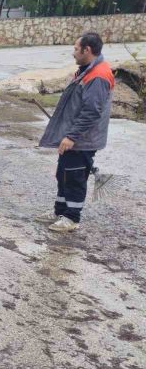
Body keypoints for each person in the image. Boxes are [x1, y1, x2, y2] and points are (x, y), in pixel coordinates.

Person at [36, 32, 115, 233]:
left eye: (75, 48)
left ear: (87, 50)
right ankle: (60, 212)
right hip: (73, 136)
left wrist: (72, 136)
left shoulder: (98, 76)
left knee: (74, 177)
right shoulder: (86, 71)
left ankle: (71, 218)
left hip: (82, 140)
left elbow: (92, 111)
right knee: (62, 175)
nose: (73, 53)